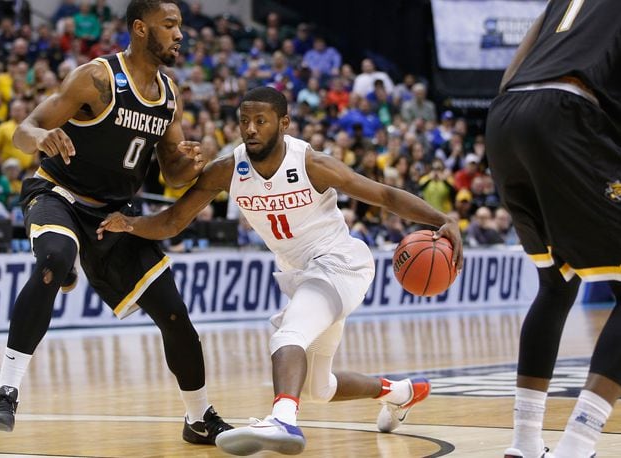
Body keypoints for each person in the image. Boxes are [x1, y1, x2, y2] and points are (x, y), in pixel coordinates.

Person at [97, 87, 463, 455]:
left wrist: (442, 219)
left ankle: (283, 418)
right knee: (320, 389)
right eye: (244, 122)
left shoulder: (311, 164)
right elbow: (174, 221)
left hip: (340, 264)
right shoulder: (229, 170)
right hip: (302, 274)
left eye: (260, 121)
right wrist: (128, 224)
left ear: (284, 123)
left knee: (288, 334)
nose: (250, 129)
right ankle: (400, 393)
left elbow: (383, 195)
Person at [0, 0, 233, 445]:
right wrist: (43, 136)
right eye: (169, 25)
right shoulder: (96, 78)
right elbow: (25, 130)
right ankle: (6, 390)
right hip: (59, 194)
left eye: (180, 26)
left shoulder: (168, 95)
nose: (179, 34)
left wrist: (187, 165)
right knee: (54, 257)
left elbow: (170, 174)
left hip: (115, 216)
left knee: (174, 313)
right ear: (139, 29)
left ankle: (198, 417)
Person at [484, 2, 621, 457]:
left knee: (557, 282)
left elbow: (511, 72)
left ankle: (525, 441)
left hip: (505, 114)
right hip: (566, 111)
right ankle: (578, 443)